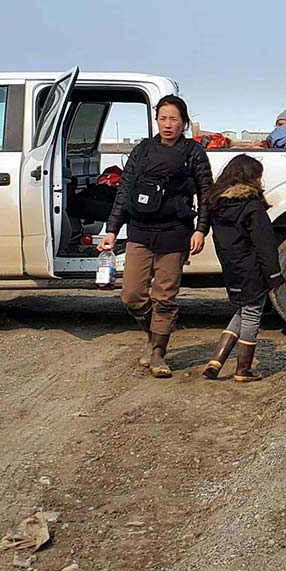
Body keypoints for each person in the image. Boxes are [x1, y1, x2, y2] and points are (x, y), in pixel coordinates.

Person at [97, 95, 214, 378]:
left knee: (165, 296)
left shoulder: (193, 153)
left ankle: (159, 351)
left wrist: (201, 229)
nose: (167, 124)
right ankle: (153, 332)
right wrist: (111, 230)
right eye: (162, 118)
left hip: (176, 232)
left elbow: (206, 193)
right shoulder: (143, 150)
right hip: (140, 231)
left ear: (184, 122)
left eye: (173, 119)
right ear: (156, 120)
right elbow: (124, 191)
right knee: (131, 294)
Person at [202, 154, 283, 382]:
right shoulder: (252, 206)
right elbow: (265, 244)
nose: (260, 182)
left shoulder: (216, 205)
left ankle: (216, 361)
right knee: (252, 314)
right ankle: (243, 369)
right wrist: (274, 276)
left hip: (231, 267)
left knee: (242, 309)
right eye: (258, 176)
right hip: (253, 267)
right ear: (250, 177)